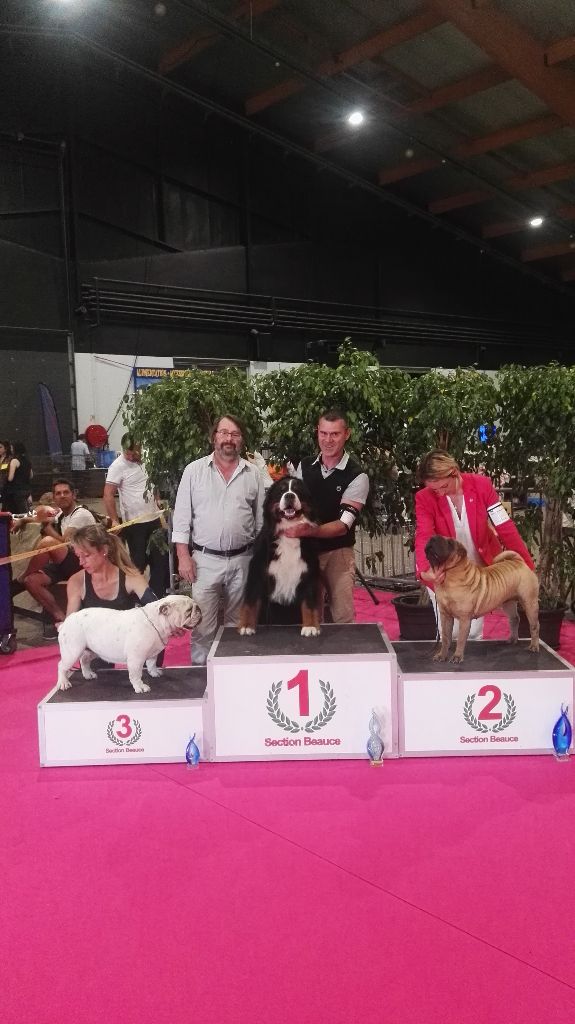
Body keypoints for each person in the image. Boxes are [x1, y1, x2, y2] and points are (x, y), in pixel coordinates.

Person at [172, 414, 265, 665]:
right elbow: (181, 519)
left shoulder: (253, 474)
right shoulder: (193, 471)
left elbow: (261, 521)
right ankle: (200, 673)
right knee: (202, 624)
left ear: (241, 440)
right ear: (214, 437)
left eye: (234, 434)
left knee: (238, 623)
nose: (229, 439)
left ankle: (233, 671)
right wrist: (183, 556)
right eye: (224, 433)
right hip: (204, 560)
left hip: (243, 559)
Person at [414, 449, 535, 638]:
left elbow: (504, 526)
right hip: (443, 571)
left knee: (472, 631)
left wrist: (527, 566)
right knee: (449, 631)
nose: (438, 492)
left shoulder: (482, 485)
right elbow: (424, 535)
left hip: (478, 570)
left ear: (453, 472)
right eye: (433, 488)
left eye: (442, 486)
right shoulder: (424, 497)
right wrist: (425, 571)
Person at [287, 409, 369, 624]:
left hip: (338, 553)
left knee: (342, 615)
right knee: (309, 614)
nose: (328, 440)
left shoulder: (357, 475)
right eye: (323, 433)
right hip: (306, 552)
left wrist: (309, 530)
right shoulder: (304, 466)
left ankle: (345, 655)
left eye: (335, 434)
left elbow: (343, 525)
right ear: (317, 433)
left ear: (347, 434)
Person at [22, 478, 97, 638]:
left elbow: (64, 542)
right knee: (32, 581)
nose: (62, 496)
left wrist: (46, 527)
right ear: (54, 498)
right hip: (66, 562)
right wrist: (23, 519)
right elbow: (38, 516)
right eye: (58, 493)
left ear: (73, 495)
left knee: (48, 542)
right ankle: (61, 619)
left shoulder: (81, 514)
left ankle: (19, 580)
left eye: (66, 493)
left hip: (84, 562)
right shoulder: (62, 514)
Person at [103, 433, 169, 599]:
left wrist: (158, 499)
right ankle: (133, 597)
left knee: (159, 560)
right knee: (137, 563)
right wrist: (114, 519)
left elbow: (152, 482)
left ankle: (157, 596)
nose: (131, 456)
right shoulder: (117, 466)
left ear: (140, 448)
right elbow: (108, 494)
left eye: (134, 452)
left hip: (154, 519)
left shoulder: (147, 458)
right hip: (134, 524)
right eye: (127, 453)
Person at [66, 524, 153, 616]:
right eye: (78, 556)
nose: (81, 562)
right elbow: (70, 623)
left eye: (87, 555)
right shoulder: (76, 582)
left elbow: (154, 608)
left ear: (104, 550)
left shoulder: (131, 577)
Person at [2, 441, 32, 514]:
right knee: (27, 510)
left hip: (17, 491)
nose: (11, 449)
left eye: (12, 448)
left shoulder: (14, 461)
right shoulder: (28, 461)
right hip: (27, 489)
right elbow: (31, 476)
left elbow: (10, 478)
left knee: (21, 512)